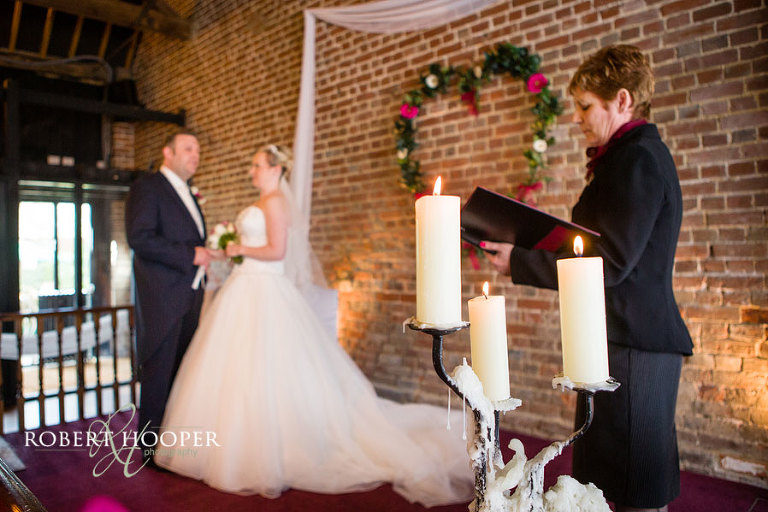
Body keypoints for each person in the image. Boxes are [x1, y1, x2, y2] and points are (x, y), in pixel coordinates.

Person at [155, 144, 473, 507]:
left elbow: (277, 251)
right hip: (246, 286)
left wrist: (236, 248)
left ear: (275, 169)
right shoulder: (265, 201)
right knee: (237, 368)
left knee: (265, 369)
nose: (252, 172)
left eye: (257, 166)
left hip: (264, 286)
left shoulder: (275, 202)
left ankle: (266, 449)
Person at [481, 45, 693, 512]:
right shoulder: (626, 158)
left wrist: (520, 261)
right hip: (616, 337)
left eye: (584, 106)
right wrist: (525, 243)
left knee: (636, 489)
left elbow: (611, 261)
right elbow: (595, 244)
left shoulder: (637, 159)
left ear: (622, 100)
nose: (576, 118)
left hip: (638, 345)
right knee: (604, 484)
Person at [125, 130, 215, 463]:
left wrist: (204, 256)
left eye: (198, 150)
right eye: (188, 148)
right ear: (168, 153)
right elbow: (140, 237)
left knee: (181, 374)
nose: (195, 155)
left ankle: (172, 448)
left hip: (190, 296)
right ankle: (150, 454)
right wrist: (190, 255)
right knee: (159, 376)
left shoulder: (189, 193)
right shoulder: (148, 188)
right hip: (162, 300)